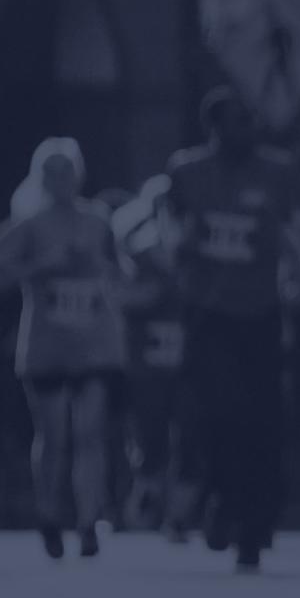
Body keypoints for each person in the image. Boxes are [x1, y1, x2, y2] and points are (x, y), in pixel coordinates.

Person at [160, 88, 300, 572]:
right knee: (216, 412)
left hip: (260, 313)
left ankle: (254, 524)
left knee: (263, 417)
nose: (246, 130)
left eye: (250, 121)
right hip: (206, 312)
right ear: (212, 127)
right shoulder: (186, 172)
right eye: (235, 122)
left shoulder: (279, 172)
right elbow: (167, 235)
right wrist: (183, 241)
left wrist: (294, 253)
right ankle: (222, 500)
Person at [0, 139, 129, 559]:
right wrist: (42, 265)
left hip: (93, 344)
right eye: (52, 173)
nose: (61, 180)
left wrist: (100, 268)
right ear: (40, 178)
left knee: (90, 434)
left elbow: (121, 271)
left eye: (67, 171)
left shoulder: (98, 220)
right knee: (53, 436)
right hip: (47, 346)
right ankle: (49, 515)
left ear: (79, 174)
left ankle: (89, 521)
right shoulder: (27, 226)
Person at [111, 175, 192, 541]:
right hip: (147, 358)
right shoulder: (136, 241)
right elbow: (125, 297)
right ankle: (143, 504)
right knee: (147, 436)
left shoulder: (194, 241)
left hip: (186, 356)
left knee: (185, 434)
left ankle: (176, 512)